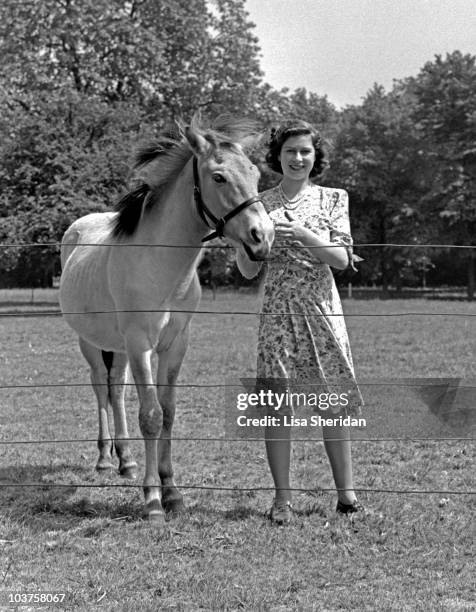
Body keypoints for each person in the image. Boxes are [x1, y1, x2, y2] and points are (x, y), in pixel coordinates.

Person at [235, 120, 364, 525]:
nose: (298, 158)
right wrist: (244, 243)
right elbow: (247, 271)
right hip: (277, 314)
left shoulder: (332, 198)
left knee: (333, 405)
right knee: (277, 408)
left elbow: (342, 260)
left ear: (315, 156)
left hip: (323, 311)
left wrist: (304, 234)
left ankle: (347, 497)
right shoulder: (259, 202)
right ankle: (281, 500)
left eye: (305, 151)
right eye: (290, 150)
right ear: (278, 157)